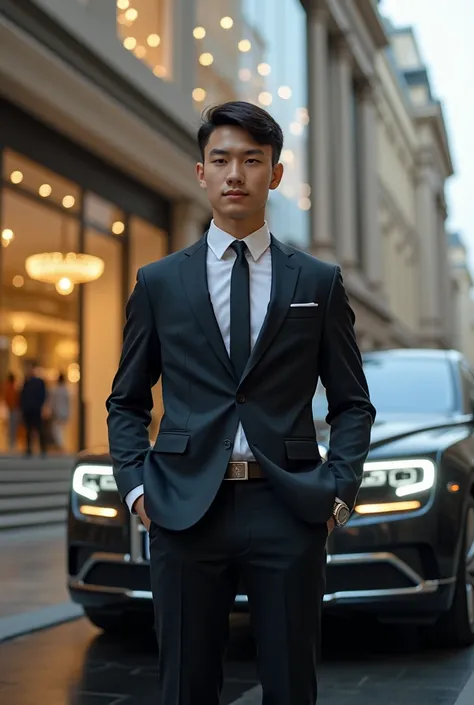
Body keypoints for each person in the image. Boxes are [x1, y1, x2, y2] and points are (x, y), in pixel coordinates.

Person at [107, 101, 375, 705]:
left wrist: (338, 493)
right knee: (185, 687)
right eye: (221, 159)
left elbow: (353, 403)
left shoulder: (317, 282)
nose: (236, 174)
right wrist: (136, 490)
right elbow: (126, 401)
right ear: (200, 173)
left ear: (275, 174)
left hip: (289, 506)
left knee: (290, 687)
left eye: (252, 160)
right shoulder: (158, 283)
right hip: (182, 509)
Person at [20, 360, 47, 457]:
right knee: (28, 430)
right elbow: (23, 396)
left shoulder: (38, 382)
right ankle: (29, 448)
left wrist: (41, 406)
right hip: (28, 409)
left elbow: (43, 395)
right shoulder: (26, 382)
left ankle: (43, 449)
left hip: (36, 409)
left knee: (39, 429)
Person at [49, 372, 70, 452]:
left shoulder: (55, 390)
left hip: (57, 412)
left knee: (56, 429)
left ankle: (60, 445)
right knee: (61, 429)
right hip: (64, 412)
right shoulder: (66, 390)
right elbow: (68, 403)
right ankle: (61, 445)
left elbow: (52, 402)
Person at [3, 372, 20, 452]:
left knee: (11, 427)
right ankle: (11, 444)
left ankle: (11, 443)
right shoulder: (12, 388)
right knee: (12, 427)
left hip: (11, 409)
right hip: (13, 410)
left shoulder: (9, 388)